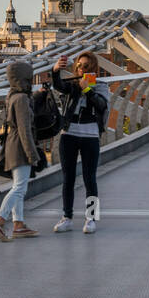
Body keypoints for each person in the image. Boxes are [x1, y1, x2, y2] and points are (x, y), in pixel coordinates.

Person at [50, 51, 109, 233]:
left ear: (93, 68)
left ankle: (91, 219)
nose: (81, 69)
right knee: (68, 178)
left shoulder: (101, 86)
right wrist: (55, 71)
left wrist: (87, 89)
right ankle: (67, 217)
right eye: (79, 66)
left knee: (89, 178)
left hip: (90, 135)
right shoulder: (72, 85)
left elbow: (101, 105)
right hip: (69, 134)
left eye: (85, 66)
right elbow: (59, 85)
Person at [0, 60, 44, 241]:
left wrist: (36, 96)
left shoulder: (13, 95)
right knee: (20, 188)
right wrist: (31, 154)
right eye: (29, 78)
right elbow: (24, 129)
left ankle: (18, 225)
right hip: (20, 145)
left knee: (18, 185)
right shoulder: (21, 99)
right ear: (23, 78)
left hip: (12, 143)